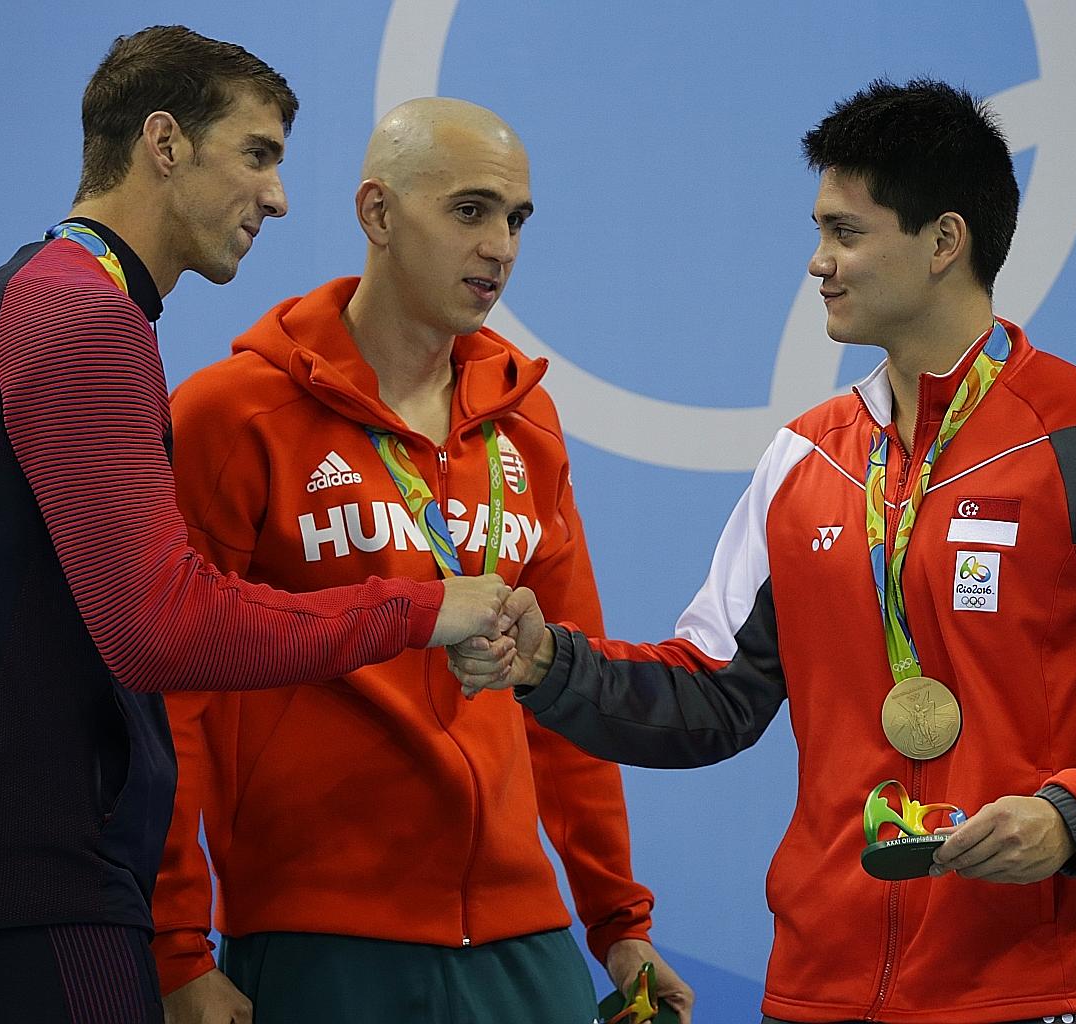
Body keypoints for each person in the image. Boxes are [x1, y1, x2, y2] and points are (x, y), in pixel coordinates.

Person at [451, 79, 1076, 1024]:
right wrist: (550, 664)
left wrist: (1072, 820)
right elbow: (710, 698)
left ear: (942, 242)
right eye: (819, 230)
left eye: (846, 233)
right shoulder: (806, 460)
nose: (817, 263)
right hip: (823, 989)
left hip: (1035, 989)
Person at [0, 29, 516, 1024]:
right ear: (163, 142)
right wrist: (423, 608)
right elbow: (160, 626)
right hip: (39, 919)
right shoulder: (86, 322)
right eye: (257, 153)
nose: (279, 196)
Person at [152, 97, 692, 1024]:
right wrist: (176, 947)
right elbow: (174, 697)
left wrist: (615, 917)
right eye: (470, 210)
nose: (501, 248)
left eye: (517, 219)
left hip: (526, 937)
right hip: (322, 934)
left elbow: (567, 681)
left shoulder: (528, 424)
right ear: (378, 215)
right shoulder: (231, 415)